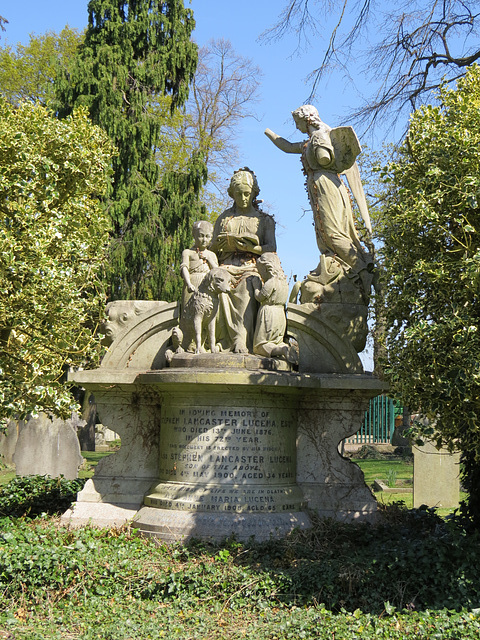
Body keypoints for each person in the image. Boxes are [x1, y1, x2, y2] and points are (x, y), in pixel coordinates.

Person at [264, 105, 373, 301]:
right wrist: (269, 133)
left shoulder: (320, 136)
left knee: (332, 232)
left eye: (297, 122)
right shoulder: (312, 139)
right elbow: (288, 147)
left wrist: (321, 139)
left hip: (326, 186)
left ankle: (362, 268)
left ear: (306, 120)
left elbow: (325, 158)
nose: (296, 127)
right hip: (320, 186)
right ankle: (338, 267)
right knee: (323, 234)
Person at [211, 168, 276, 353]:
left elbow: (271, 248)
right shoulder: (224, 218)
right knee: (215, 280)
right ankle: (214, 340)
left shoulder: (264, 220)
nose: (243, 198)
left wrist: (251, 248)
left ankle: (241, 338)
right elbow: (213, 247)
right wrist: (222, 244)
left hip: (251, 267)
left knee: (246, 288)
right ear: (232, 194)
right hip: (226, 265)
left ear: (254, 193)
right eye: (238, 194)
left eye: (247, 194)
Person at [253, 252, 296, 362]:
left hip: (269, 314)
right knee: (276, 341)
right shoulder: (284, 282)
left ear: (266, 268)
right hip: (280, 315)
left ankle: (281, 351)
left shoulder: (271, 282)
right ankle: (285, 348)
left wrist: (256, 287)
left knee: (260, 346)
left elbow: (260, 297)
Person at [180, 220, 218, 312]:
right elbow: (184, 267)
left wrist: (209, 259)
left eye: (207, 236)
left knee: (208, 312)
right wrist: (189, 283)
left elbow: (217, 271)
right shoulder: (188, 252)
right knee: (189, 311)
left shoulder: (212, 254)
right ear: (194, 235)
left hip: (208, 285)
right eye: (201, 236)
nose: (204, 240)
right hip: (193, 283)